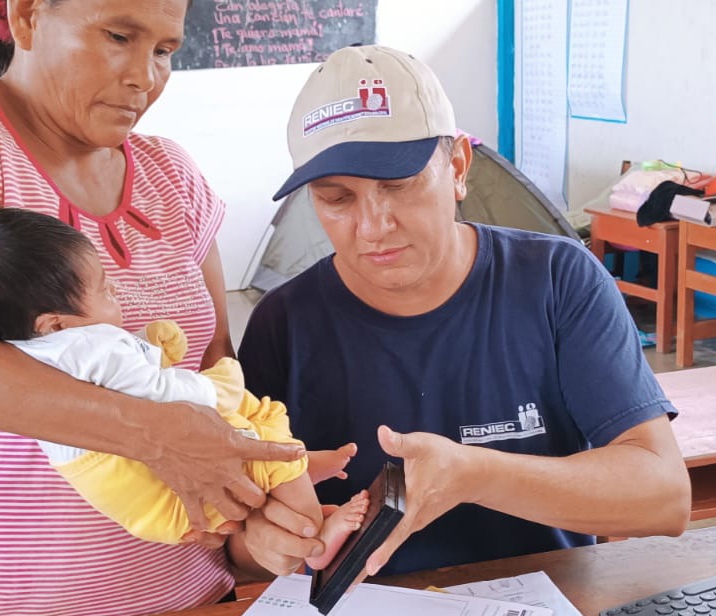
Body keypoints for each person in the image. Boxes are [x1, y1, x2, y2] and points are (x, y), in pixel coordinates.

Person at [0, 0, 320, 616]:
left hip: (188, 608)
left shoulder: (171, 175)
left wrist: (257, 530)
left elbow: (216, 377)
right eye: (118, 36)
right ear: (25, 17)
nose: (145, 75)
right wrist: (151, 434)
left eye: (164, 50)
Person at [238, 45, 692, 579]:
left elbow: (663, 497)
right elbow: (241, 546)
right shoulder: (284, 325)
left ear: (457, 166)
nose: (373, 226)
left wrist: (474, 474)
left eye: (398, 185)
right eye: (337, 199)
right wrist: (264, 546)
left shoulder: (556, 281)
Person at [0, 206, 367, 559]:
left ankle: (298, 470)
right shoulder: (93, 346)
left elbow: (123, 378)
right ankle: (317, 534)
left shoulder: (30, 351)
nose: (115, 292)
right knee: (251, 428)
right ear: (54, 322)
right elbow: (167, 397)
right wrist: (221, 383)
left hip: (137, 500)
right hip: (153, 488)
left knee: (250, 442)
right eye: (102, 289)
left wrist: (147, 344)